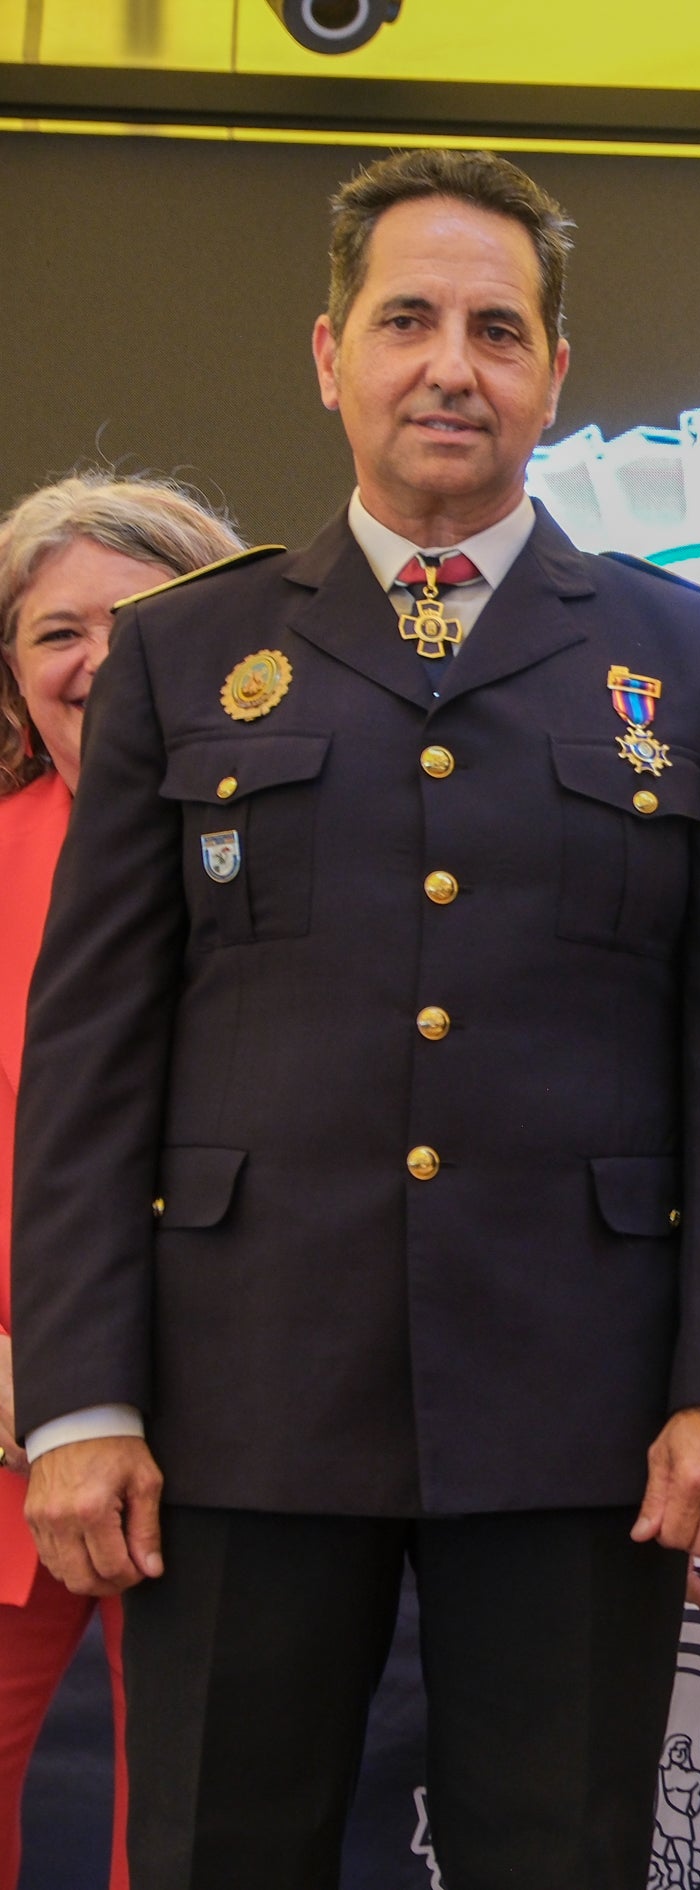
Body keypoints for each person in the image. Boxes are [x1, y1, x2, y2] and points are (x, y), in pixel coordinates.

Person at [10, 149, 700, 1889]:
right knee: (228, 1846)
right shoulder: (181, 656)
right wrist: (80, 1401)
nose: (452, 363)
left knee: (564, 1852)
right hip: (241, 1402)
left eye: (497, 328)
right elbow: (91, 1065)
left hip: (584, 1410)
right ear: (330, 356)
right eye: (408, 321)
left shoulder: (697, 663)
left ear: (553, 374)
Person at [0, 472, 243, 1890]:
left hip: (220, 1444)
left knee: (198, 1827)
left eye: (141, 619)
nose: (96, 660)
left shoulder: (291, 843)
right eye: (54, 631)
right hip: (6, 1422)